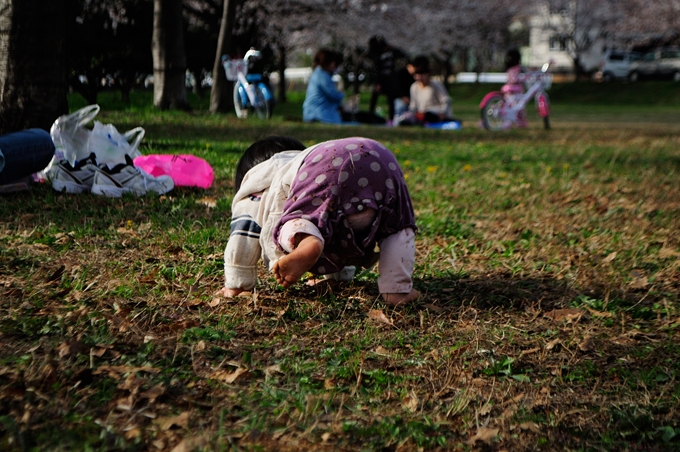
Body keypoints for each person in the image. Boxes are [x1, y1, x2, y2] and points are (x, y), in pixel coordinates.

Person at [220, 135, 419, 306]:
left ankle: (307, 238)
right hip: (380, 156)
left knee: (303, 216)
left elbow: (243, 236)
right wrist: (339, 278)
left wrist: (237, 285)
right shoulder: (310, 159)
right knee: (397, 227)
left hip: (324, 165)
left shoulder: (258, 184)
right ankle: (397, 290)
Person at [367, 35, 407, 121]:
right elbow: (376, 69)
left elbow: (403, 55)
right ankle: (370, 115)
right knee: (374, 98)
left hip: (391, 79)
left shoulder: (392, 51)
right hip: (381, 79)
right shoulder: (377, 54)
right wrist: (377, 83)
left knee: (391, 100)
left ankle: (391, 119)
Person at [404, 55, 454, 125]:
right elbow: (413, 106)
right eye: (416, 75)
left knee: (428, 115)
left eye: (422, 75)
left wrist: (443, 112)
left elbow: (446, 100)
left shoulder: (435, 84)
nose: (419, 78)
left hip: (436, 113)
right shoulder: (414, 87)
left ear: (427, 74)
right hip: (422, 114)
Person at [302, 49, 345, 124]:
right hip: (320, 115)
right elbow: (333, 95)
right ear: (328, 62)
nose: (334, 65)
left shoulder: (318, 73)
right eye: (333, 62)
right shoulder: (322, 76)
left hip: (313, 113)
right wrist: (341, 93)